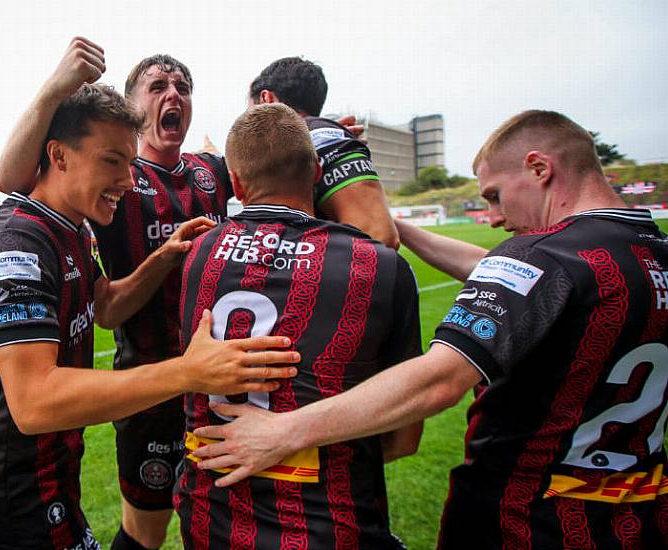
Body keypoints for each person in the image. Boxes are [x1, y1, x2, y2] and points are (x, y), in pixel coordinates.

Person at [192, 110, 668, 548]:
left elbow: (441, 380)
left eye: (495, 196)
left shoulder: (540, 257)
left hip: (526, 517)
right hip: (640, 514)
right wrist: (387, 224)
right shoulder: (645, 254)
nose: (497, 217)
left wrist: (285, 431)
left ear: (539, 168)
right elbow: (520, 280)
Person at [0, 37, 390, 550]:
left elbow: (275, 159)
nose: (172, 94)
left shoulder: (212, 171)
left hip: (225, 386)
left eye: (182, 86)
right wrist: (55, 90)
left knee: (225, 518)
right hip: (149, 386)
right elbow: (13, 181)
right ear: (133, 108)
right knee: (147, 526)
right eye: (156, 86)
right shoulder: (112, 176)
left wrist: (325, 136)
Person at [0, 83, 300, 550]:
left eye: (128, 162)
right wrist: (188, 371)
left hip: (53, 468)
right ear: (58, 156)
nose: (126, 180)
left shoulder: (72, 229)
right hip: (12, 483)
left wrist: (165, 255)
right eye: (112, 161)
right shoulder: (18, 243)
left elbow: (106, 306)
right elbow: (34, 401)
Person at [175, 103, 421, 549]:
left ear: (237, 184)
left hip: (211, 519)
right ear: (316, 172)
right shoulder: (379, 267)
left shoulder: (198, 254)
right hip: (332, 525)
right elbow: (405, 437)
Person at [248, 57, 399, 249]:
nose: (247, 122)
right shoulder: (293, 145)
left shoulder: (324, 138)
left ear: (266, 99)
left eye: (250, 110)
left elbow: (379, 237)